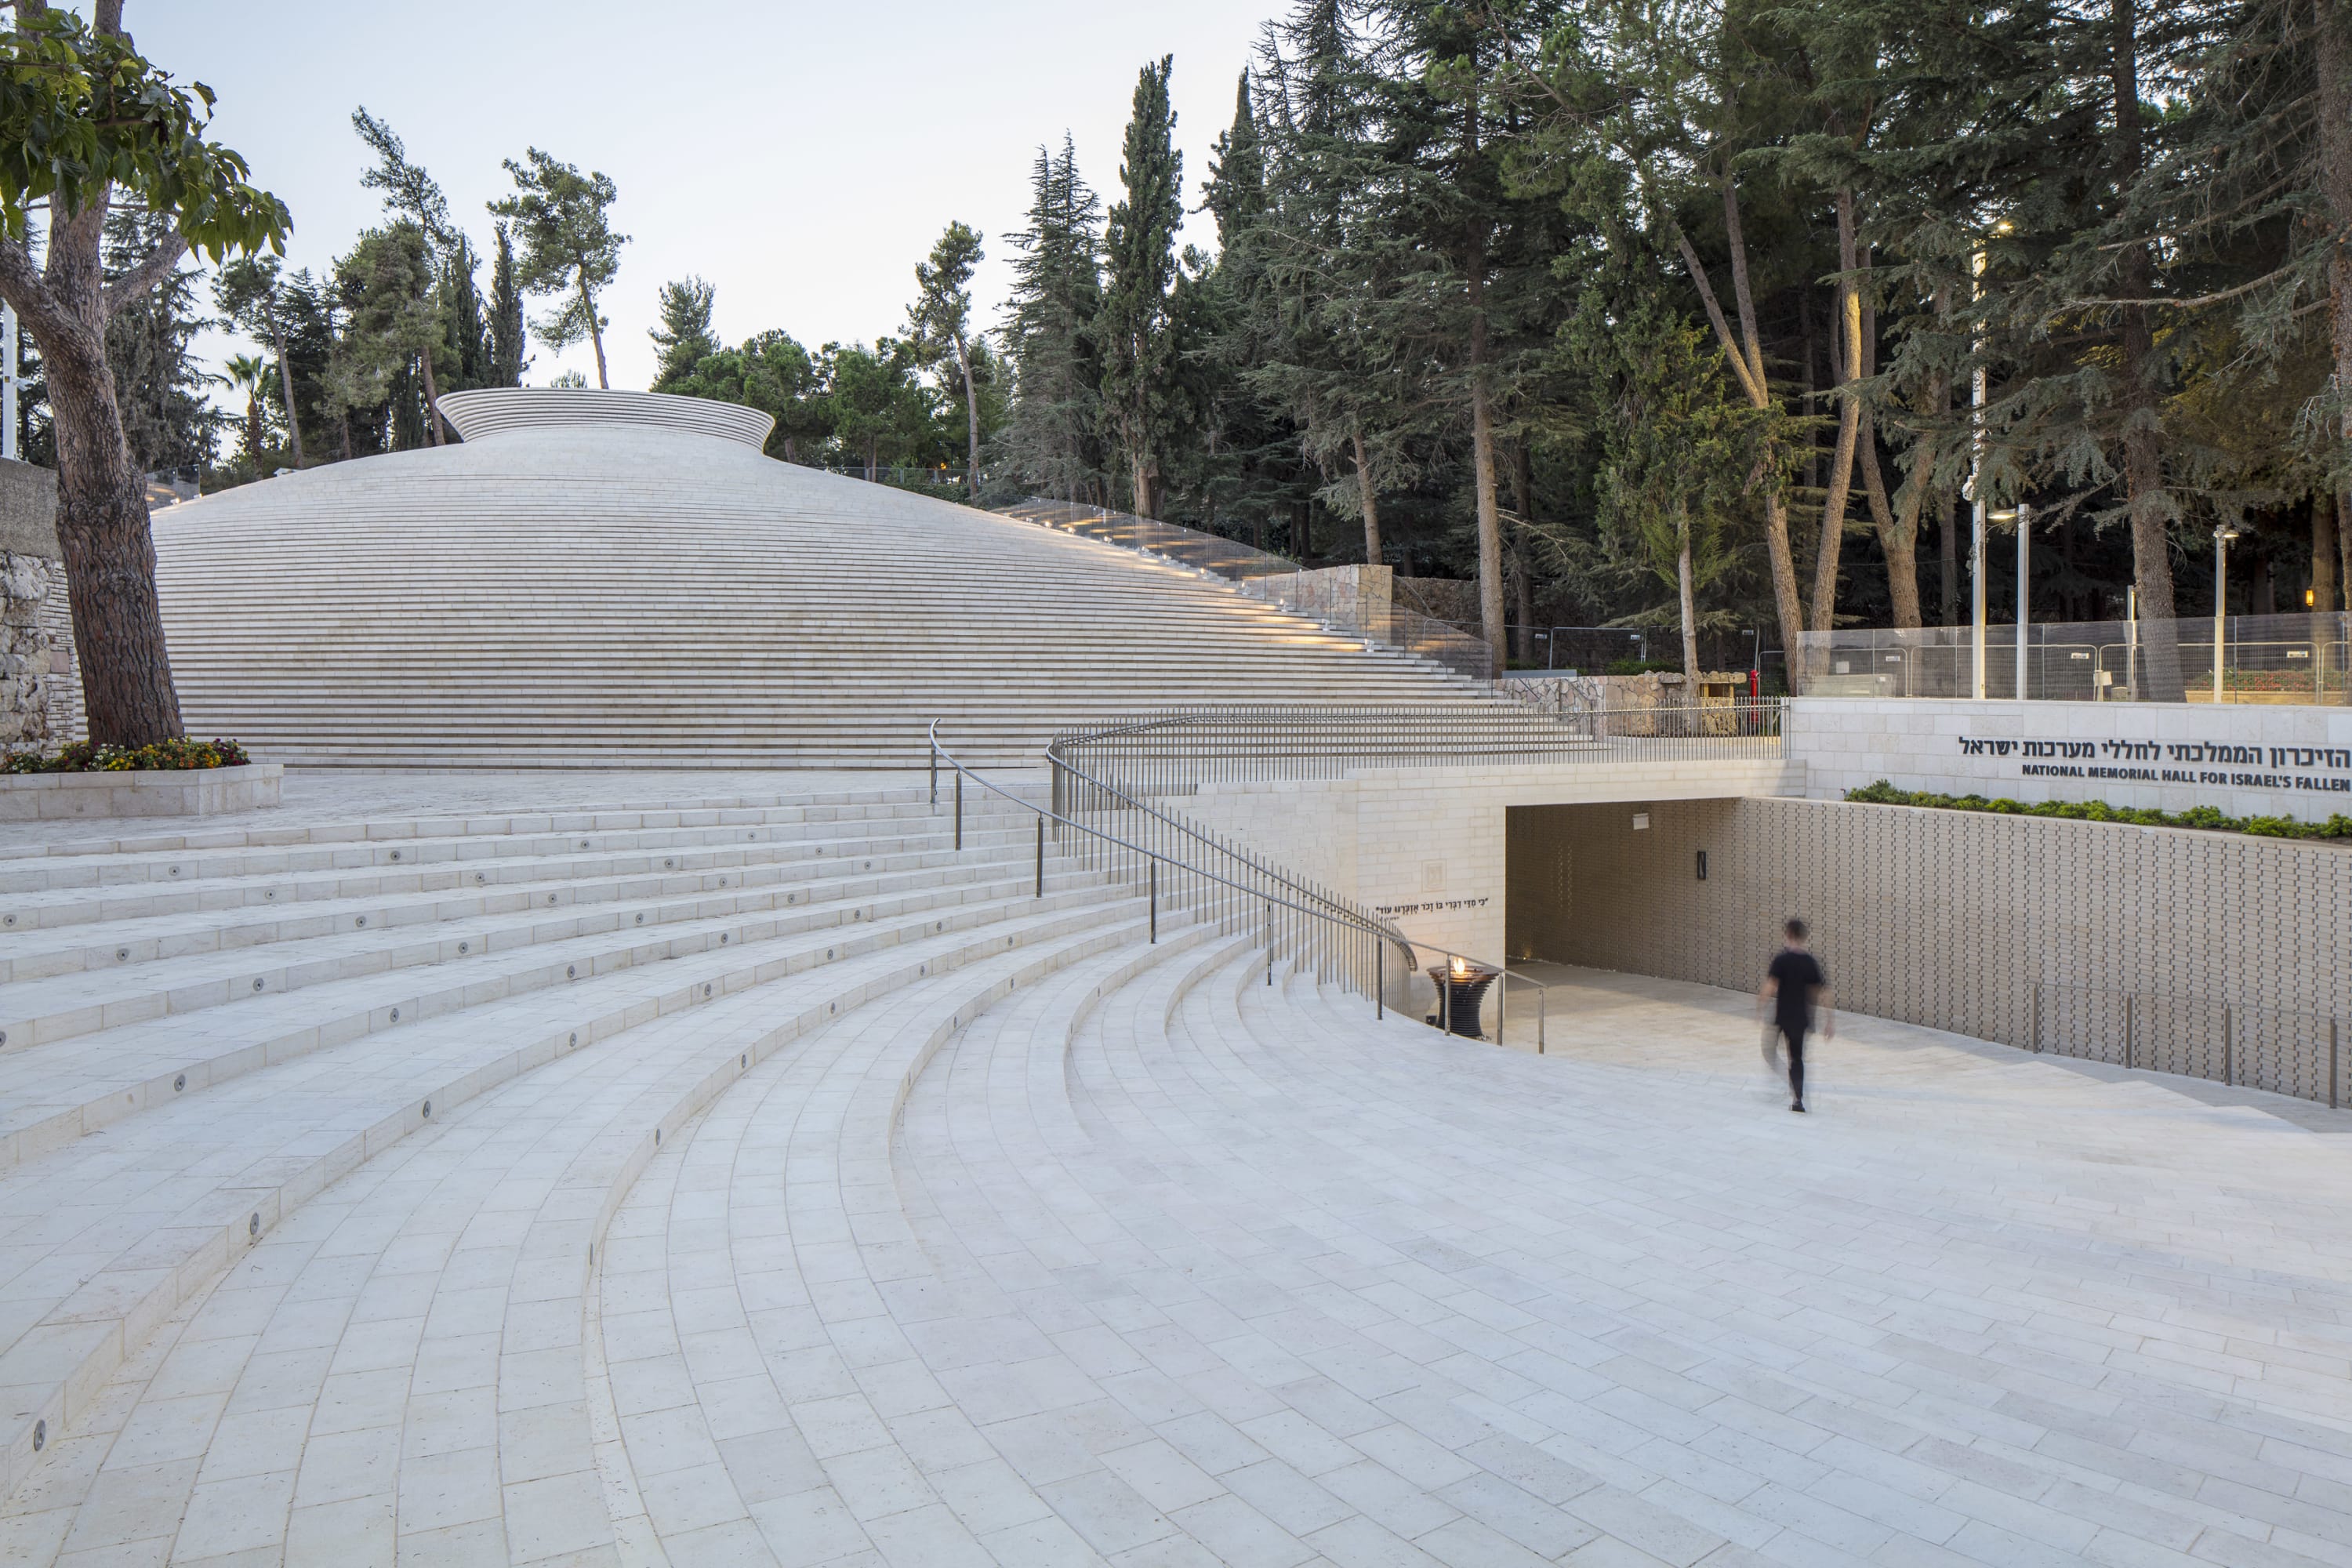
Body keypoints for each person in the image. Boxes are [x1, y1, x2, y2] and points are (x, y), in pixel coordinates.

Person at [1760, 919, 1831, 1112]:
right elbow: (1823, 993)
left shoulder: (1781, 960)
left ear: (1789, 935)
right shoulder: (1811, 962)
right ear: (1803, 937)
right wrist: (1829, 1022)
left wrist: (1760, 1007)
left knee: (1768, 1050)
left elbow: (1770, 986)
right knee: (1797, 1058)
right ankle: (1798, 1099)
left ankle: (1791, 1081)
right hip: (1802, 1019)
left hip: (1782, 1016)